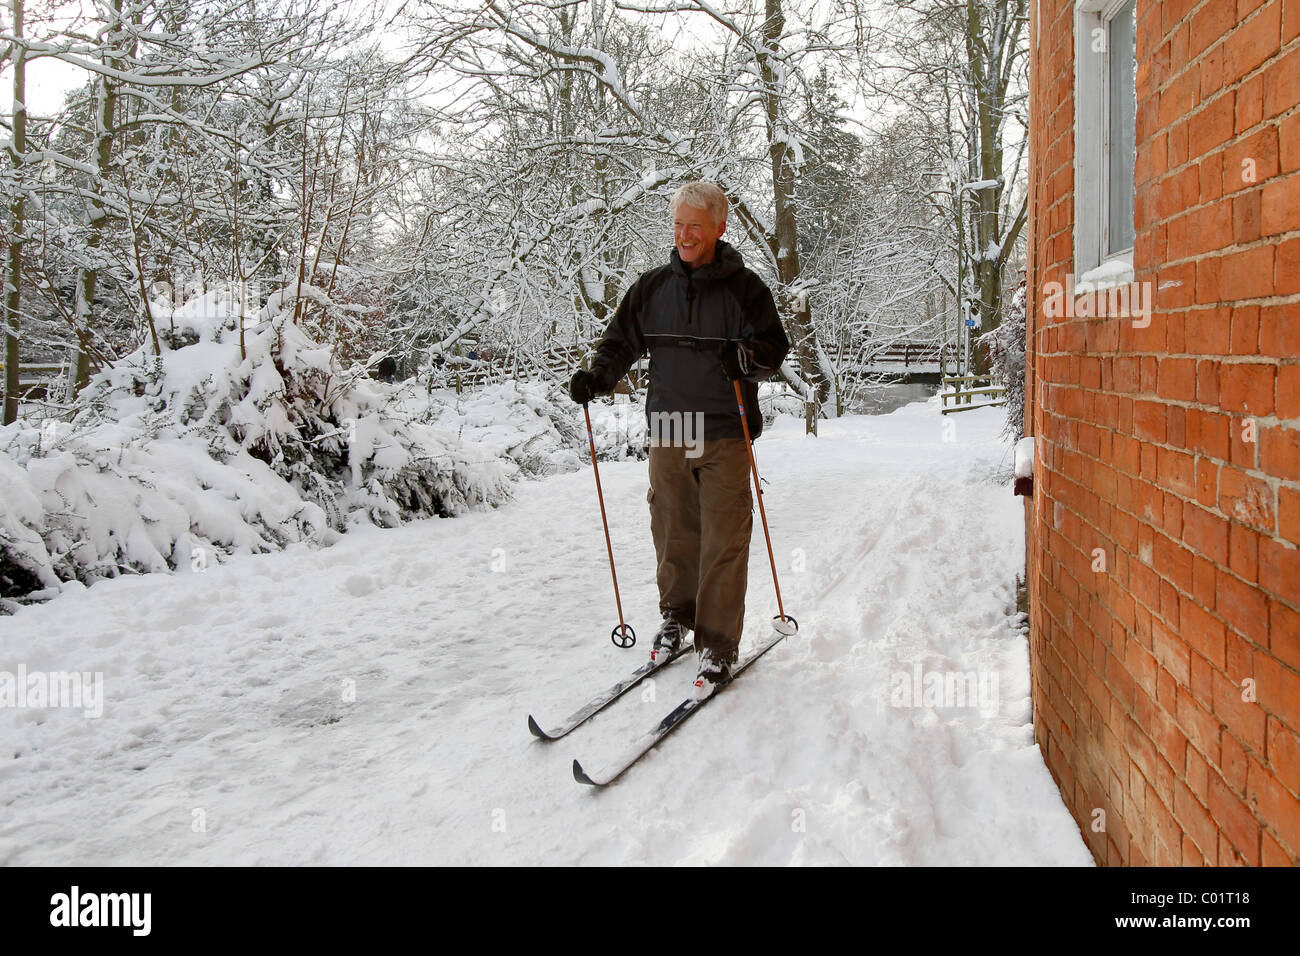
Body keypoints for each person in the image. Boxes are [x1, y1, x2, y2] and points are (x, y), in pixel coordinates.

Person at [568, 182, 789, 699]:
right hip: (671, 427)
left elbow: (774, 348)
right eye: (678, 225)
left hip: (724, 429)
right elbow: (620, 341)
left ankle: (716, 646)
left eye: (695, 225)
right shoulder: (652, 288)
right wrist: (596, 377)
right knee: (672, 529)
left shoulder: (745, 288)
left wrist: (747, 358)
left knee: (724, 536)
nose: (685, 235)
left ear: (719, 227)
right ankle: (677, 617)